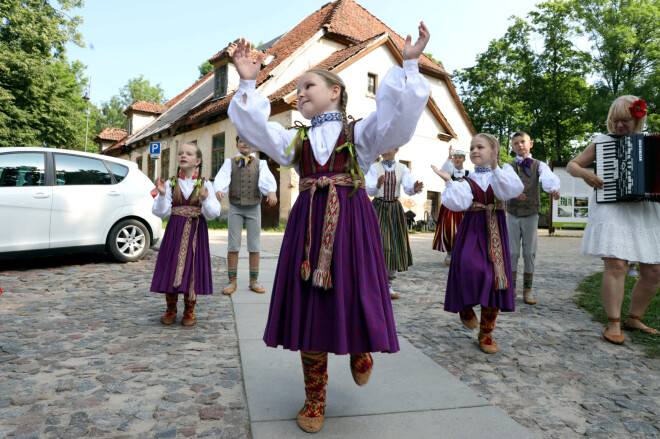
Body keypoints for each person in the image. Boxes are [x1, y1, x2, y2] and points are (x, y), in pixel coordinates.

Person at [227, 22, 431, 433]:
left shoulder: (361, 134)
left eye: (309, 86)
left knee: (354, 292)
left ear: (335, 91)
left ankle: (360, 347)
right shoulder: (294, 141)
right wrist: (249, 82)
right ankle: (315, 398)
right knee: (310, 307)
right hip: (308, 226)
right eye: (298, 89)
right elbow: (255, 130)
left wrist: (409, 67)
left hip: (352, 222)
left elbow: (397, 123)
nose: (300, 94)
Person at [567, 95, 660, 345]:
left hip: (644, 210)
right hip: (612, 209)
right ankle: (613, 323)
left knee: (654, 271)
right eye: (615, 121)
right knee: (617, 266)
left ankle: (634, 317)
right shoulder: (602, 142)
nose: (619, 126)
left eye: (625, 121)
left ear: (638, 119)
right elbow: (572, 165)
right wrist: (586, 174)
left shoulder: (651, 143)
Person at [435, 134, 524, 354]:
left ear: (494, 150)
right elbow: (457, 203)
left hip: (495, 228)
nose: (474, 151)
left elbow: (510, 191)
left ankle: (486, 333)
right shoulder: (467, 179)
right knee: (466, 266)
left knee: (494, 278)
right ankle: (464, 306)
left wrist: (495, 168)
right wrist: (448, 180)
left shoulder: (505, 173)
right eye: (472, 147)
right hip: (472, 228)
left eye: (480, 147)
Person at [151, 142, 221, 326]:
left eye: (188, 154)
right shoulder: (170, 183)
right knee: (172, 266)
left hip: (196, 232)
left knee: (193, 269)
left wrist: (205, 200)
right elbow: (161, 212)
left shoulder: (205, 184)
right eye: (181, 153)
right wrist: (161, 195)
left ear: (197, 161)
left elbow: (213, 214)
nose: (183, 155)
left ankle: (189, 310)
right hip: (175, 231)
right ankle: (171, 309)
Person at [213, 136, 277, 295]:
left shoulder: (260, 163)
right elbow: (222, 177)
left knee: (254, 245)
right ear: (237, 144)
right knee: (233, 244)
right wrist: (219, 189)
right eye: (242, 141)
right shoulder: (230, 163)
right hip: (235, 207)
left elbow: (267, 180)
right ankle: (232, 281)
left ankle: (254, 281)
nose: (246, 143)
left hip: (254, 207)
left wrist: (271, 191)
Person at [506, 131, 560, 305]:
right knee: (512, 252)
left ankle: (527, 290)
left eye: (523, 141)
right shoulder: (508, 166)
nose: (520, 145)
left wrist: (553, 189)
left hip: (531, 213)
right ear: (513, 147)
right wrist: (514, 194)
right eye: (516, 143)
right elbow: (504, 184)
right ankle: (511, 289)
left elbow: (548, 178)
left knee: (529, 252)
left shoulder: (540, 165)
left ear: (531, 144)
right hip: (512, 213)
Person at [365, 148, 423, 299]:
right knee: (378, 244)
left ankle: (388, 286)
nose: (384, 151)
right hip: (378, 207)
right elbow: (369, 190)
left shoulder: (402, 168)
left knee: (394, 247)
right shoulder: (374, 167)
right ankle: (373, 283)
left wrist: (414, 188)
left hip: (394, 209)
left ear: (396, 149)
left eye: (388, 147)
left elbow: (408, 185)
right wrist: (377, 185)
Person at [431, 145, 469, 265]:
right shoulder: (450, 171)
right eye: (455, 157)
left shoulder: (469, 173)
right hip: (449, 204)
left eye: (460, 157)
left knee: (464, 229)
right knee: (448, 228)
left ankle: (462, 252)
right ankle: (450, 251)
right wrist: (448, 157)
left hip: (463, 205)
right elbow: (443, 171)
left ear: (464, 159)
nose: (457, 159)